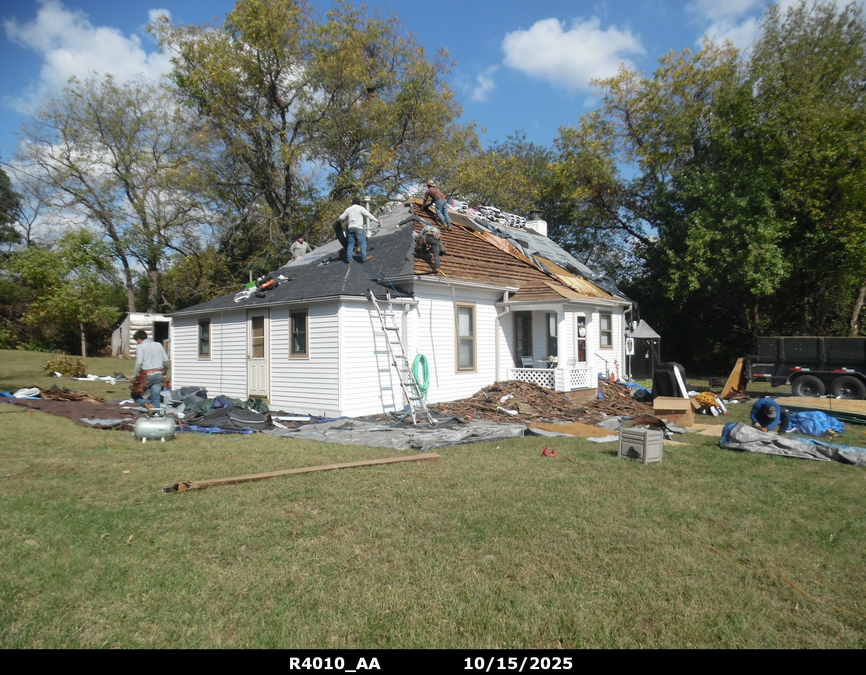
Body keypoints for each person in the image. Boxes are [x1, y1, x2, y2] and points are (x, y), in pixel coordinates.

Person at [132, 329, 169, 410]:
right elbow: (166, 360)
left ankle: (148, 405)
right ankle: (157, 417)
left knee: (135, 394)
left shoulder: (140, 346)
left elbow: (139, 362)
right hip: (159, 374)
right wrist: (165, 371)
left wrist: (134, 375)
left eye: (136, 341)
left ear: (139, 339)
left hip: (147, 375)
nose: (137, 342)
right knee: (156, 398)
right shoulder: (158, 344)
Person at [338, 197, 380, 264]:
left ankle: (349, 259)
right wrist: (377, 221)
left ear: (353, 203)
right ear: (359, 202)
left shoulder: (348, 209)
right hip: (358, 227)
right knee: (362, 242)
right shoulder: (360, 208)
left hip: (350, 228)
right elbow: (368, 215)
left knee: (351, 243)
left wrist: (337, 220)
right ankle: (364, 258)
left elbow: (341, 217)